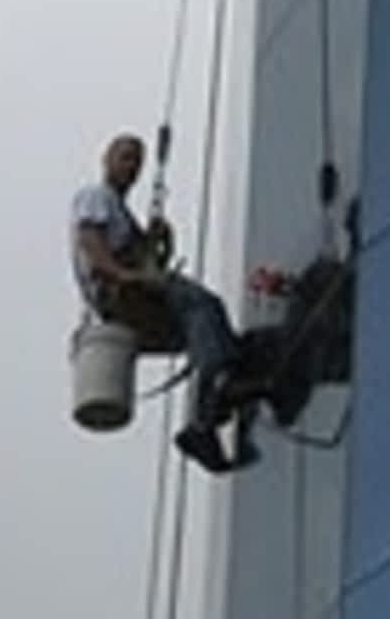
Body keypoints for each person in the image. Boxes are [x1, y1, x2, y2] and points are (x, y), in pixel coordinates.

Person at [71, 134, 261, 473]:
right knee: (205, 306)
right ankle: (205, 414)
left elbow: (136, 255)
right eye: (125, 157)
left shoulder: (120, 211)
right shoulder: (95, 197)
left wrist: (154, 242)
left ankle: (223, 403)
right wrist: (124, 275)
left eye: (137, 162)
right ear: (107, 159)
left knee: (211, 336)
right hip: (123, 294)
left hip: (132, 298)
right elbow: (91, 243)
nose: (132, 167)